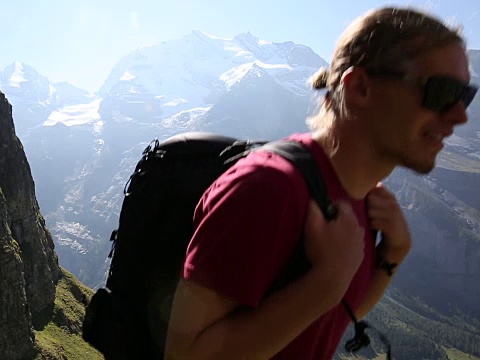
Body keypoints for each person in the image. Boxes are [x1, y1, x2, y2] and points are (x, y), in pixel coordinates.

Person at [164, 6, 477, 360]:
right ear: (360, 87)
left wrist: (391, 256)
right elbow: (184, 355)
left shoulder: (356, 197)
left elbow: (331, 317)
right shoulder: (268, 188)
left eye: (466, 96)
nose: (460, 115)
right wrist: (324, 284)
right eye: (441, 93)